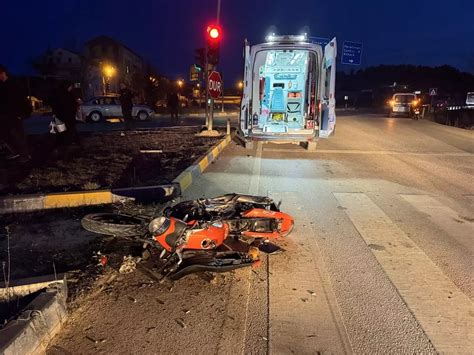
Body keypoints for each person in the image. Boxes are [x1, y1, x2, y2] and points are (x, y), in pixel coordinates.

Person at [0, 64, 31, 162]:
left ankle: (24, 156)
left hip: (16, 114)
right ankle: (16, 153)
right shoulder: (3, 85)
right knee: (9, 134)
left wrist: (21, 114)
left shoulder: (13, 84)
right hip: (8, 115)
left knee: (17, 134)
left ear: (3, 73)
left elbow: (20, 100)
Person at [50, 80, 80, 147]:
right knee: (67, 134)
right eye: (70, 86)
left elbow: (54, 105)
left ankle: (59, 147)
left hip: (59, 117)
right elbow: (72, 106)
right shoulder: (68, 95)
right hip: (67, 118)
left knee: (60, 134)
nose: (71, 88)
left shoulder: (56, 94)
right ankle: (65, 148)